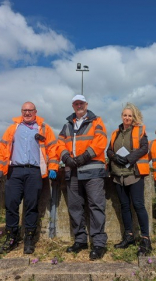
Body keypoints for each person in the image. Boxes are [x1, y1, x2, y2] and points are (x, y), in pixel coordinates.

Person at [0, 102, 58, 254]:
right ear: (21, 111)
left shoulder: (44, 128)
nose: (27, 113)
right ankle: (11, 238)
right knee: (11, 205)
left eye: (30, 110)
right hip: (14, 171)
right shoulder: (13, 128)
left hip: (34, 172)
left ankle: (29, 239)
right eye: (25, 110)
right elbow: (3, 149)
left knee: (31, 206)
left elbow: (53, 149)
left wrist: (53, 167)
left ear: (35, 112)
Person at [57, 95, 108, 260]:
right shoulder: (67, 125)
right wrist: (66, 158)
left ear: (86, 104)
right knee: (75, 207)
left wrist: (84, 157)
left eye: (81, 103)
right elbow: (59, 144)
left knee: (96, 206)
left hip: (92, 171)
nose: (79, 106)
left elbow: (101, 142)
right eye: (76, 104)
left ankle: (98, 243)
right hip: (72, 172)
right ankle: (80, 240)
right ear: (73, 106)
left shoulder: (96, 122)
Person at [107, 103, 152, 256]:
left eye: (130, 115)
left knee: (138, 205)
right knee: (124, 206)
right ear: (122, 116)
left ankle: (146, 239)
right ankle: (129, 236)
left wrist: (128, 158)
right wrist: (115, 157)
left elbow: (144, 148)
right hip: (118, 174)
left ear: (134, 117)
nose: (127, 118)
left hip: (134, 172)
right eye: (125, 115)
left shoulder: (140, 130)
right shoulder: (115, 133)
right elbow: (109, 150)